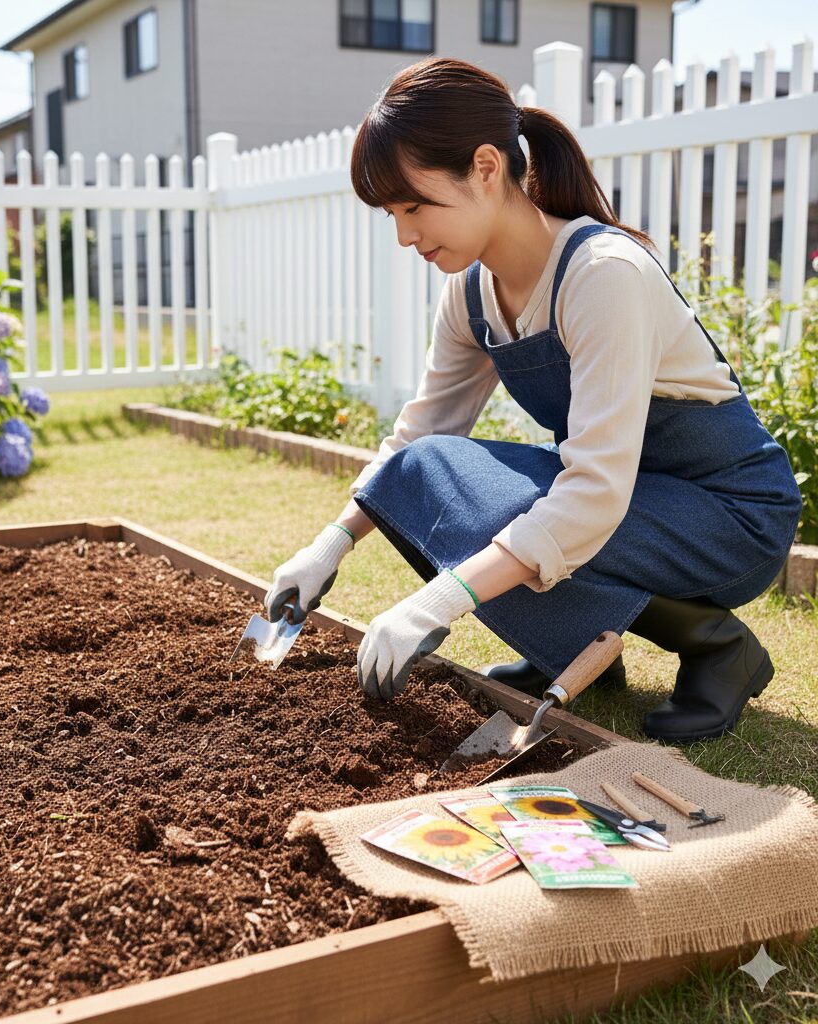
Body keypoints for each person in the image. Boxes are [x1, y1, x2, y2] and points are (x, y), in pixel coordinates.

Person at [264, 57, 802, 743]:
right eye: (392, 213)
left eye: (414, 205)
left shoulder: (602, 275)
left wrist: (440, 601)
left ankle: (719, 647)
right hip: (634, 499)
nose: (404, 234)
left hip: (728, 516)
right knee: (426, 472)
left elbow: (595, 494)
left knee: (519, 509)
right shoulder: (468, 293)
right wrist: (328, 546)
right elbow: (417, 443)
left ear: (486, 168)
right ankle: (578, 647)